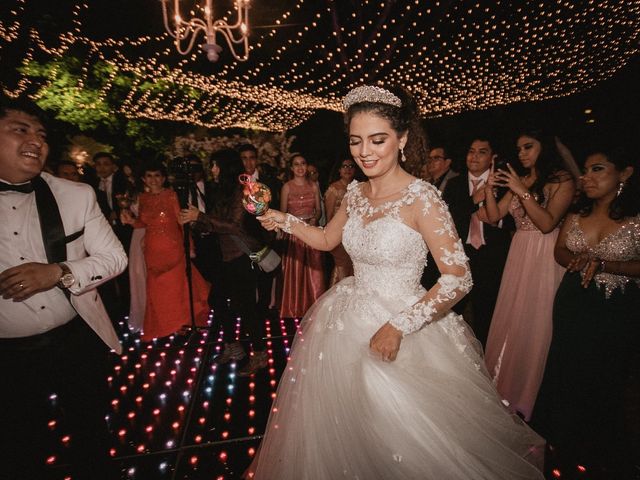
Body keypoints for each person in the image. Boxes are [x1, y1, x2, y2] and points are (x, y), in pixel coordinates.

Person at [248, 86, 544, 479]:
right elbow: (326, 239)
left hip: (405, 324)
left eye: (377, 139)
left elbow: (459, 277)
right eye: (356, 141)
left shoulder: (423, 199)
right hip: (345, 320)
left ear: (402, 139)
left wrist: (398, 325)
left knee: (405, 441)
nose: (364, 151)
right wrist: (281, 219)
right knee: (345, 435)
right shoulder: (354, 193)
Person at [0, 98, 127, 480]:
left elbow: (113, 258)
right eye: (20, 129)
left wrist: (58, 271)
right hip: (7, 355)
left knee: (90, 433)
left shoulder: (76, 195)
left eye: (41, 134)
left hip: (75, 339)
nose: (35, 141)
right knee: (20, 445)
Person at [532, 147, 640, 479]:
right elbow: (560, 250)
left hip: (615, 307)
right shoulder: (576, 215)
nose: (586, 177)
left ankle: (601, 449)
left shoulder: (636, 220)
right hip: (573, 303)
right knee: (566, 373)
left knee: (605, 377)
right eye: (585, 171)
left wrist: (608, 264)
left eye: (598, 170)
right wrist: (574, 261)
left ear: (624, 174)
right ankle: (563, 445)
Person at [482, 128, 575, 421]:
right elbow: (495, 215)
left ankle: (530, 391)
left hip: (545, 254)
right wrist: (488, 187)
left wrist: (522, 191)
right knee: (512, 316)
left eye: (528, 147)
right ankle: (503, 382)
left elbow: (547, 223)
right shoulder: (521, 179)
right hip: (519, 251)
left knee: (536, 320)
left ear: (544, 146)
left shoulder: (563, 180)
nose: (522, 153)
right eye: (519, 148)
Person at [180, 149, 272, 376]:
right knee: (217, 301)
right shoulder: (218, 189)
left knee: (246, 307)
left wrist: (199, 217)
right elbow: (215, 222)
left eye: (215, 165)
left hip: (241, 256)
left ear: (225, 166)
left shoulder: (242, 189)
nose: (211, 170)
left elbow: (233, 225)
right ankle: (234, 347)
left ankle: (260, 354)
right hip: (222, 256)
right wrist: (197, 223)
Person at [120, 159, 210, 341]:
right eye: (149, 176)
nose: (153, 179)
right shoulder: (143, 198)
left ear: (163, 178)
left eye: (157, 176)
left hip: (173, 246)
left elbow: (181, 220)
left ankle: (182, 322)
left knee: (177, 286)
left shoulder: (171, 195)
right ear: (144, 179)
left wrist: (189, 245)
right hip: (152, 248)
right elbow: (144, 223)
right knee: (158, 288)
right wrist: (131, 222)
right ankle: (168, 323)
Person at [441, 136, 512, 347]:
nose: (474, 156)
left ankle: (486, 359)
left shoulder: (503, 182)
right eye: (471, 151)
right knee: (451, 311)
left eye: (482, 152)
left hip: (493, 256)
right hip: (461, 255)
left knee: (487, 314)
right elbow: (447, 219)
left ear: (492, 157)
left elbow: (509, 222)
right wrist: (472, 201)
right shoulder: (455, 184)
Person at [279, 153, 325, 318]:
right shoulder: (287, 187)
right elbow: (283, 213)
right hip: (294, 234)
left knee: (315, 270)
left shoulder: (314, 186)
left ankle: (315, 306)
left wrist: (315, 218)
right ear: (291, 168)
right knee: (296, 271)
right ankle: (294, 309)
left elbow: (319, 210)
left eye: (303, 163)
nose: (300, 167)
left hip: (311, 231)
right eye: (296, 164)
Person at [324, 157, 357, 285]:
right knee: (341, 267)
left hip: (354, 234)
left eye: (351, 166)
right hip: (339, 235)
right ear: (339, 169)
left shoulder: (358, 187)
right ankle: (338, 296)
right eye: (344, 166)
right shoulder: (334, 188)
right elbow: (329, 215)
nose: (348, 169)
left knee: (354, 266)